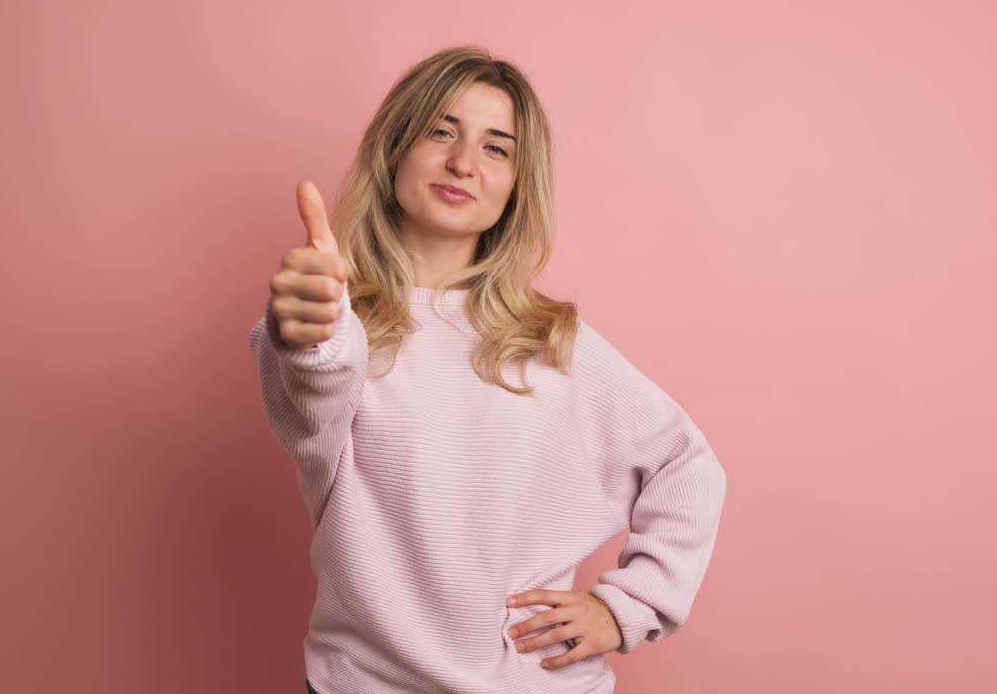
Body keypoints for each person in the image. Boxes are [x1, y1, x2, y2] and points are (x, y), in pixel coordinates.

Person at [249, 45, 728, 694]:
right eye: (441, 130)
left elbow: (686, 466)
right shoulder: (339, 328)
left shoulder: (552, 341)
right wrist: (309, 328)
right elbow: (317, 385)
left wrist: (626, 608)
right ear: (395, 149)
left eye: (496, 148)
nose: (463, 163)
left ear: (515, 187)